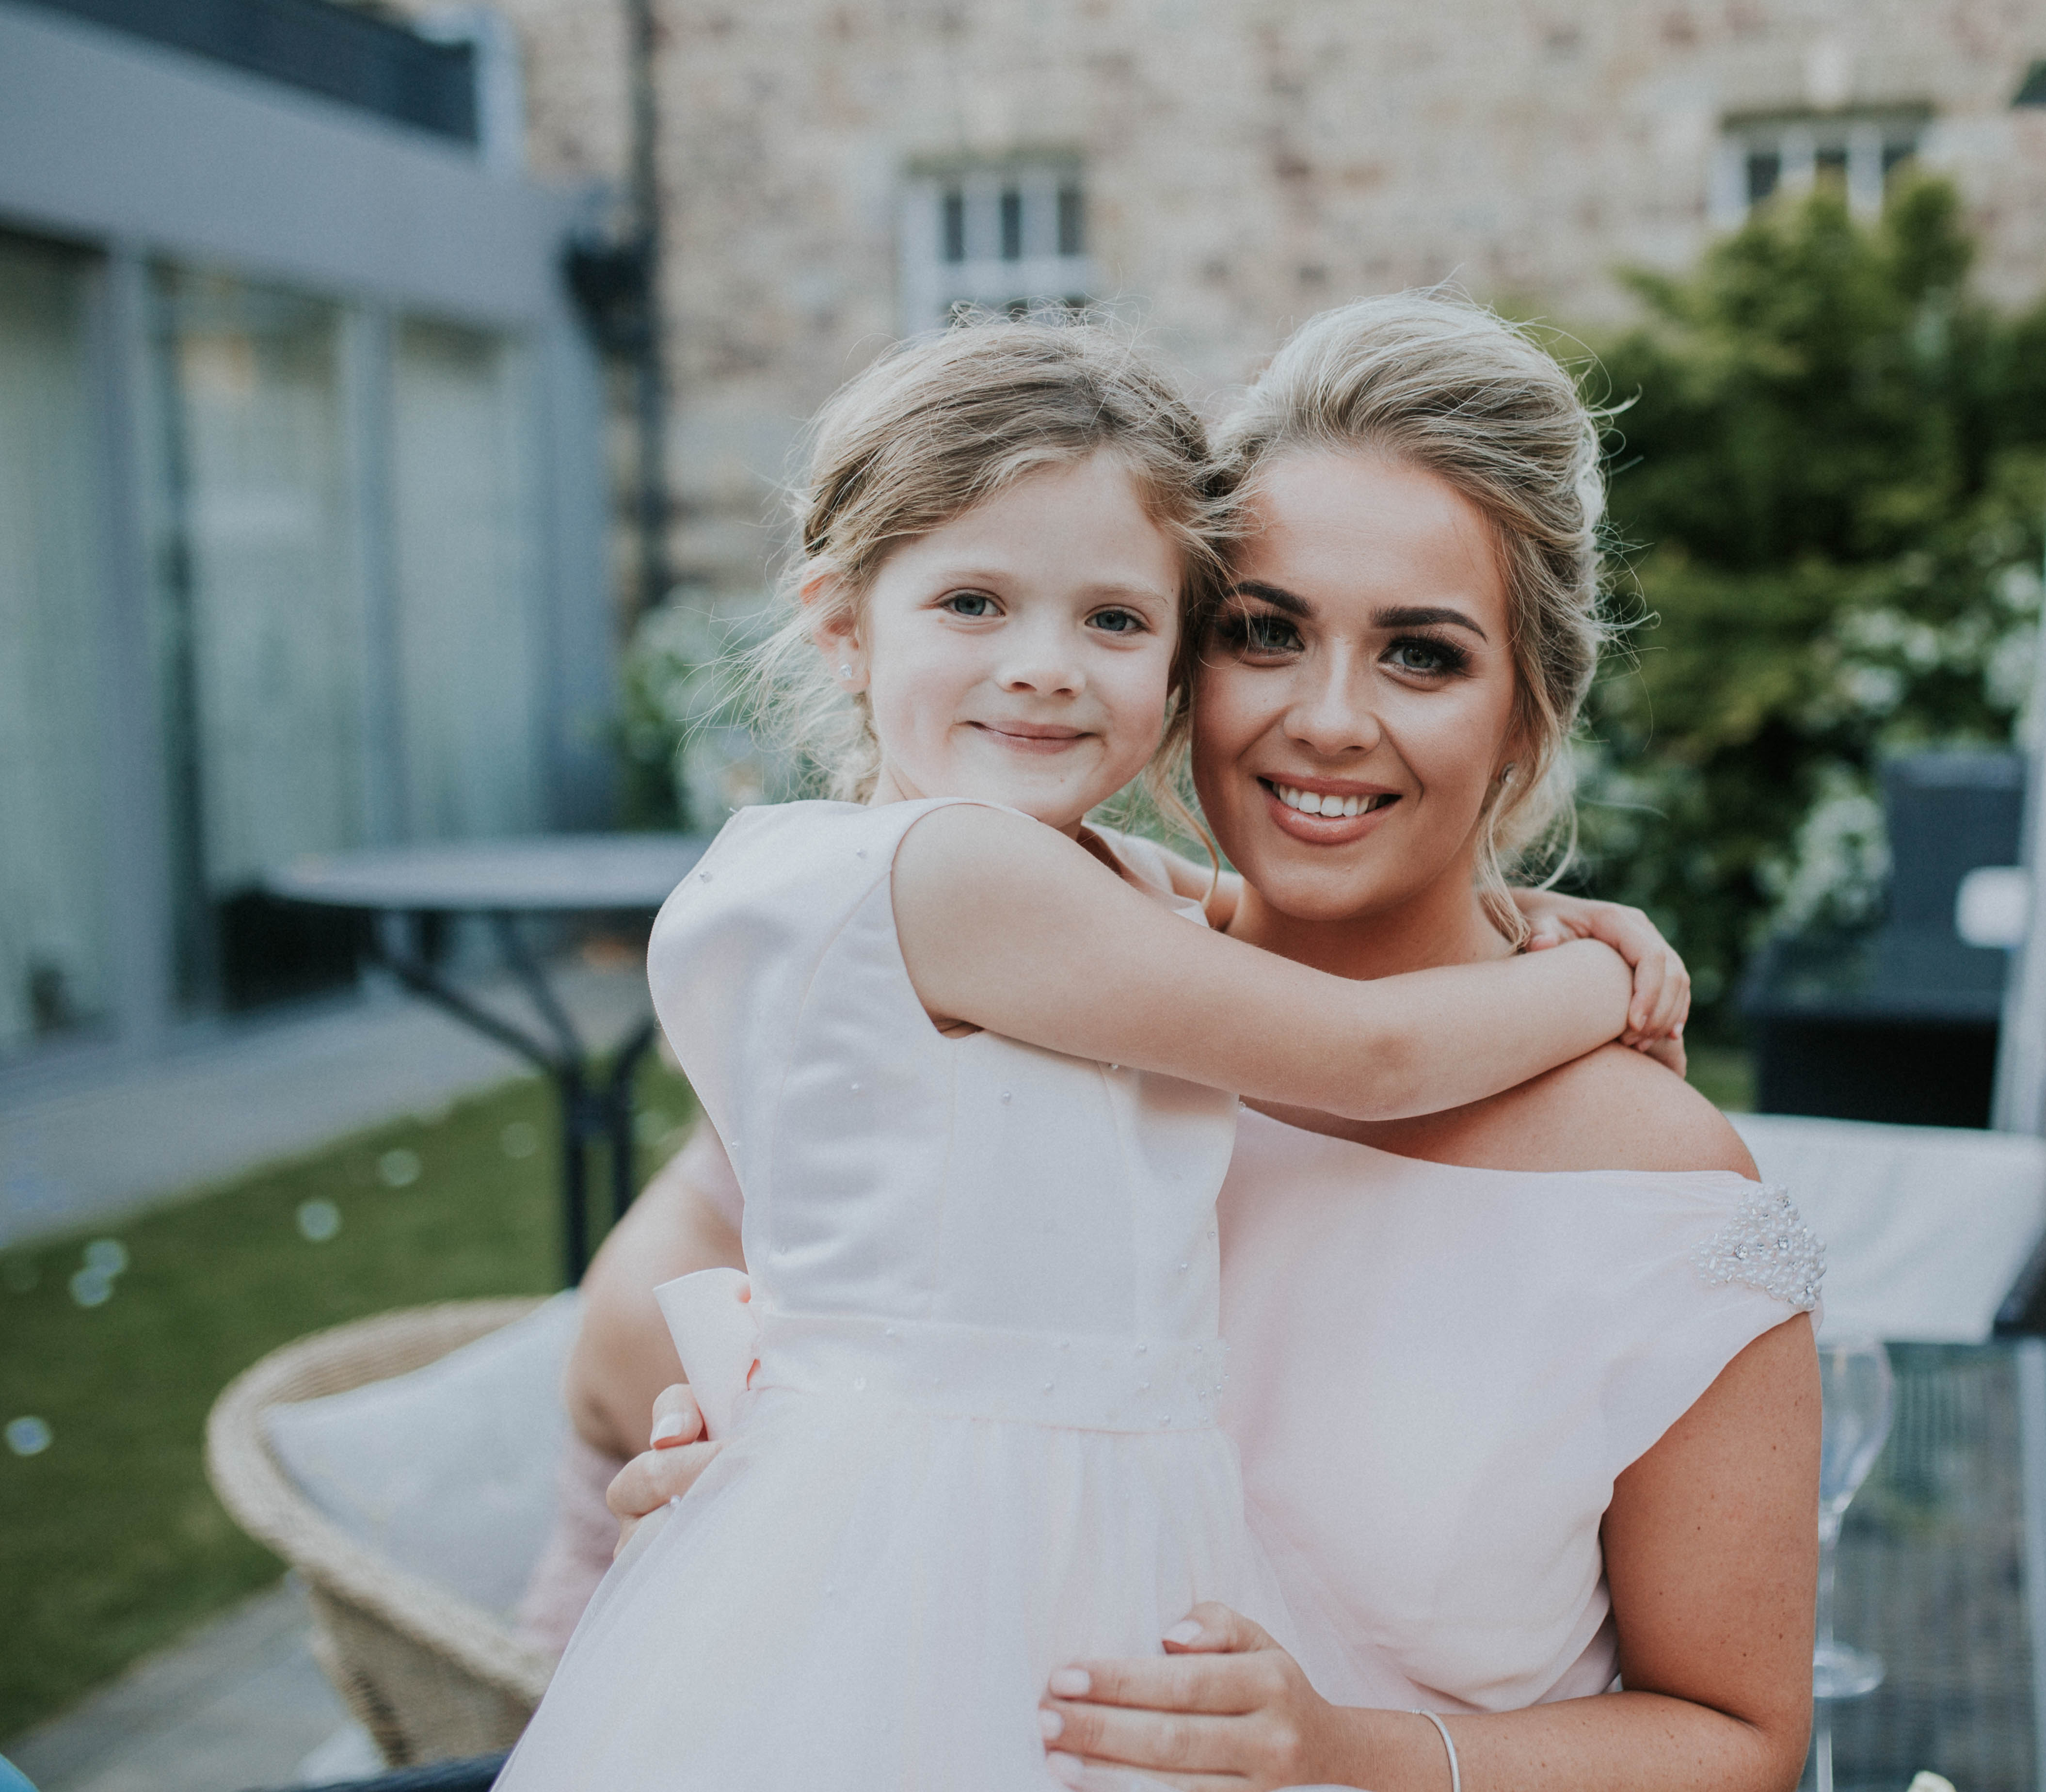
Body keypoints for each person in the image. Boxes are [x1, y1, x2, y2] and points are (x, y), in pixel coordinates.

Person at [580, 294, 1825, 1792]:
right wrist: (755, 1455)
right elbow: (634, 1326)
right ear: (1191, 663)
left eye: (1423, 656)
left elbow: (1741, 1742)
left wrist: (1347, 1752)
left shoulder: (1664, 1192)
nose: (1328, 718)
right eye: (1265, 633)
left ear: (1529, 715)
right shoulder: (1024, 1006)